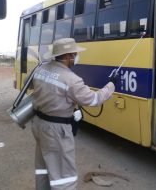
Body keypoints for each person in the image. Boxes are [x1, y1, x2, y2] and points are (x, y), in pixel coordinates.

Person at [31, 38, 118, 190]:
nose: (77, 56)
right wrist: (111, 84)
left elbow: (33, 85)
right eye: (75, 54)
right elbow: (94, 100)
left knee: (44, 166)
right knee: (64, 176)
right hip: (56, 131)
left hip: (39, 124)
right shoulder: (72, 79)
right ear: (69, 56)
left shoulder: (41, 69)